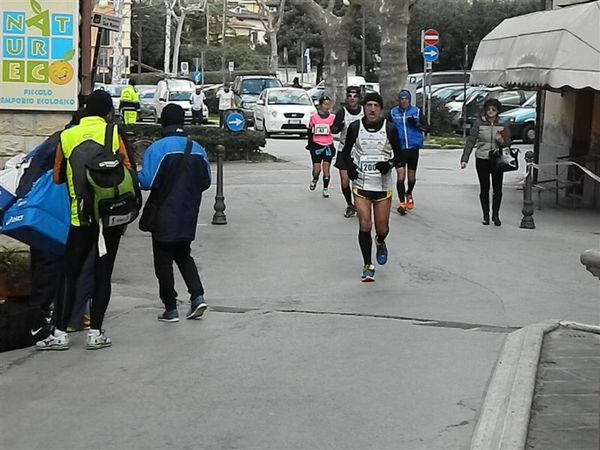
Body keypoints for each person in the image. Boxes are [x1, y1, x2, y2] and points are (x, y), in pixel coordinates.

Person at [36, 90, 133, 351]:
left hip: (81, 217)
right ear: (108, 111)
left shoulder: (67, 136)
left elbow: (57, 176)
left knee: (70, 272)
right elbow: (130, 171)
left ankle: (59, 333)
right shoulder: (113, 133)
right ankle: (96, 333)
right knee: (103, 273)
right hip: (110, 215)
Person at [138, 104, 212, 323]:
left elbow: (147, 182)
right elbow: (206, 182)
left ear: (163, 122)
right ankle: (197, 297)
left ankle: (170, 307)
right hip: (188, 213)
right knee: (184, 255)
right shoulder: (197, 148)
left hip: (163, 213)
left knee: (163, 261)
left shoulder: (158, 149)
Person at [341, 92, 402, 282]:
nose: (372, 109)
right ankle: (368, 265)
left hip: (382, 186)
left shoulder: (390, 129)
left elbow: (400, 156)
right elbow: (344, 152)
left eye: (376, 105)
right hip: (361, 184)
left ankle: (381, 241)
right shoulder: (354, 127)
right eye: (369, 105)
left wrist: (390, 164)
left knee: (382, 228)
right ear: (364, 108)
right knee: (365, 224)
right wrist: (350, 167)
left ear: (381, 109)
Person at [460, 97, 511, 226]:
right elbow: (471, 140)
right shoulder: (479, 123)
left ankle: (496, 215)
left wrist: (501, 141)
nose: (491, 111)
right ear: (485, 111)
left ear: (498, 111)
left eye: (494, 109)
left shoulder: (503, 124)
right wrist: (464, 159)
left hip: (497, 159)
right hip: (482, 158)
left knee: (497, 188)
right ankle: (486, 215)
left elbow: (508, 142)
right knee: (484, 188)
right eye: (488, 109)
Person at [389, 90, 429, 215]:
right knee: (401, 176)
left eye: (406, 99)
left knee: (411, 178)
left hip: (413, 148)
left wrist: (416, 124)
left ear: (409, 100)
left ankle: (409, 192)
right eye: (402, 99)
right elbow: (387, 127)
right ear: (399, 100)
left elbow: (427, 128)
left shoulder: (416, 112)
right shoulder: (393, 112)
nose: (404, 101)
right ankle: (402, 203)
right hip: (399, 149)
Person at [332, 86, 364, 217]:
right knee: (345, 181)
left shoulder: (364, 111)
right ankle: (349, 204)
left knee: (357, 180)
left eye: (355, 96)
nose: (352, 99)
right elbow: (334, 128)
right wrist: (337, 127)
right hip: (344, 150)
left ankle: (359, 204)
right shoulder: (342, 112)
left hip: (359, 151)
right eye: (350, 96)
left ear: (359, 98)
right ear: (347, 98)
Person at [306, 95, 336, 198]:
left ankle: (325, 188)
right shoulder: (314, 117)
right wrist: (310, 143)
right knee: (317, 169)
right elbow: (310, 130)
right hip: (316, 146)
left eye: (328, 104)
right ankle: (315, 178)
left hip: (328, 145)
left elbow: (335, 129)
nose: (327, 107)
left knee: (326, 169)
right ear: (320, 105)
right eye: (325, 104)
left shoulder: (332, 117)